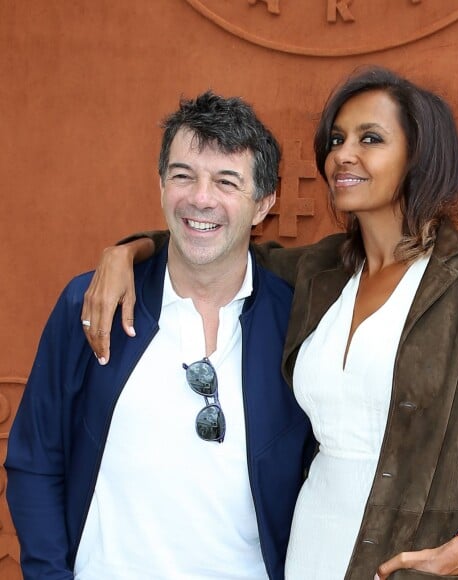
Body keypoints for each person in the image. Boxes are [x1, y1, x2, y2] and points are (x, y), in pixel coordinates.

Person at [79, 66, 458, 580]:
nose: (343, 154)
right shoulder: (322, 270)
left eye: (370, 138)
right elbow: (217, 247)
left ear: (418, 155)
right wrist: (128, 251)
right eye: (337, 139)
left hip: (402, 563)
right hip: (309, 546)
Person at [5, 92, 315, 580]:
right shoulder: (90, 306)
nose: (200, 198)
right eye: (183, 175)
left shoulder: (297, 325)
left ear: (264, 204)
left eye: (226, 181)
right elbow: (35, 461)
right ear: (161, 184)